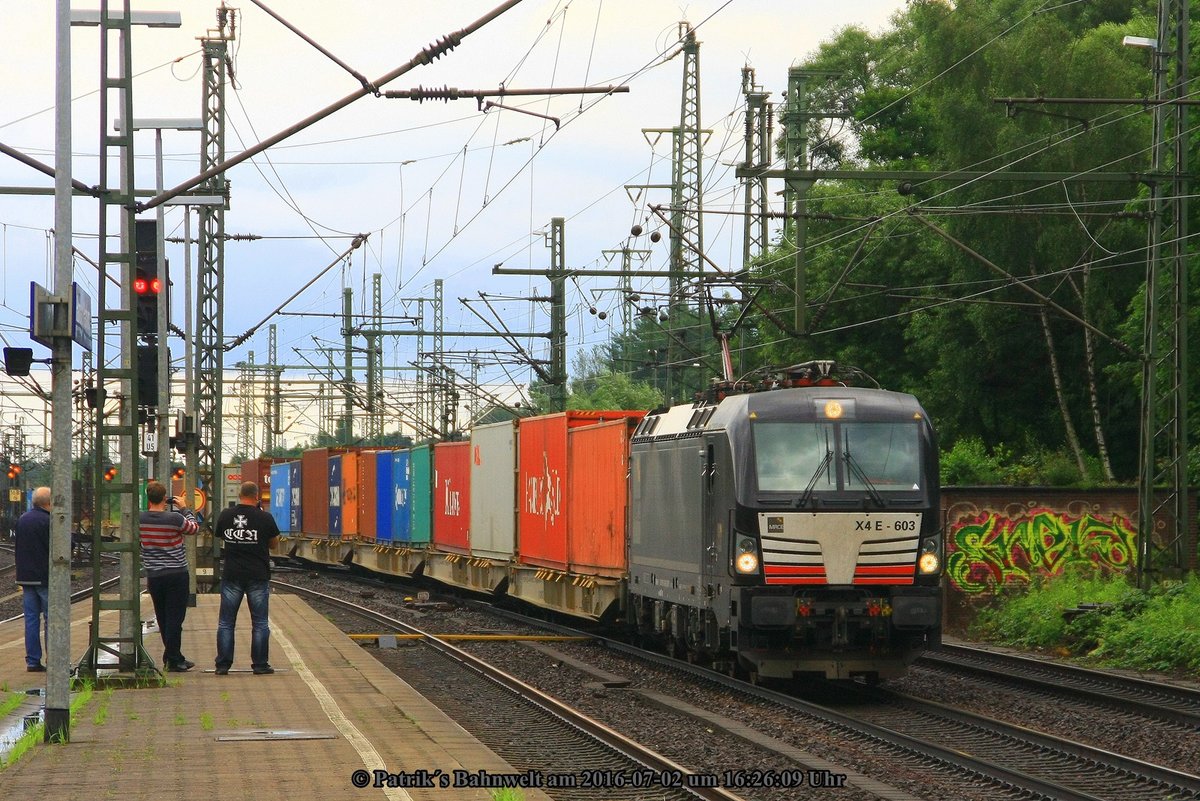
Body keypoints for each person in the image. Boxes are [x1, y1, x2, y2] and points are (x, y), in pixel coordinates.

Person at [214, 481, 280, 675]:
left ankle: (223, 665)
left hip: (232, 574)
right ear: (256, 496)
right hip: (257, 575)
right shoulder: (264, 517)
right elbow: (274, 544)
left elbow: (221, 537)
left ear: (240, 495)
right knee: (260, 623)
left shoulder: (226, 515)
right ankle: (260, 665)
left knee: (226, 622)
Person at [139, 480, 199, 672]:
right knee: (175, 618)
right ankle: (174, 659)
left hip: (154, 575)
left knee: (163, 617)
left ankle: (173, 656)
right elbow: (194, 528)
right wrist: (185, 508)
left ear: (148, 498)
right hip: (176, 574)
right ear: (165, 498)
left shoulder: (140, 519)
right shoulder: (174, 518)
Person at [15, 487, 51, 672]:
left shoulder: (22, 520)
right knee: (51, 620)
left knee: (31, 621)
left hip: (26, 578)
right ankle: (54, 659)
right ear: (48, 503)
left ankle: (33, 661)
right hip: (44, 578)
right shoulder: (49, 521)